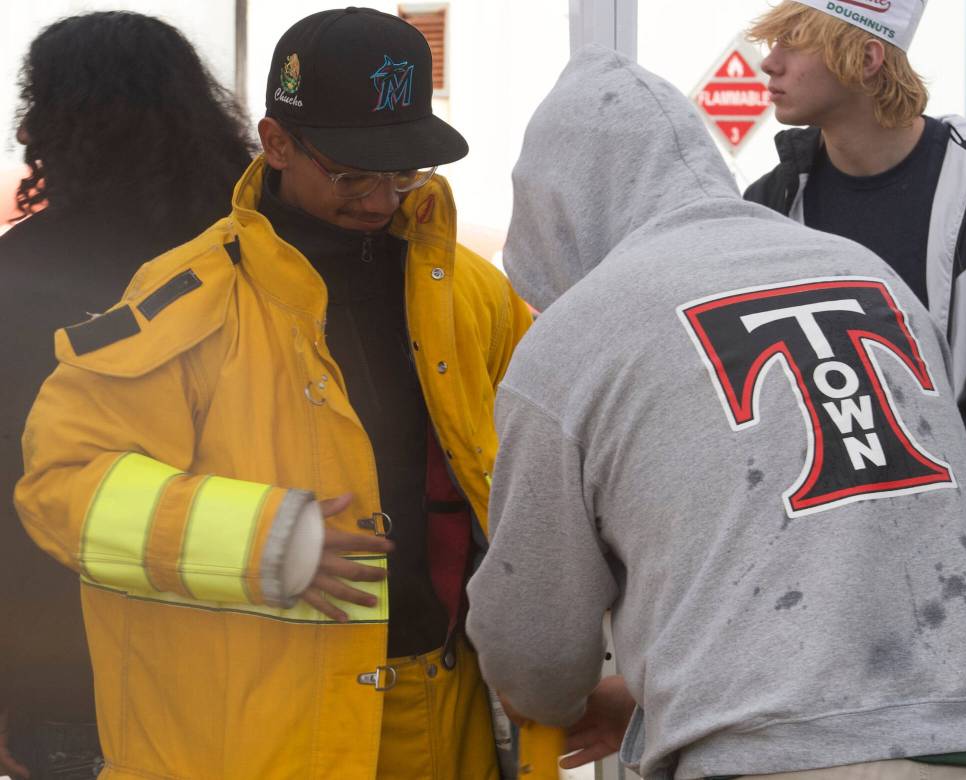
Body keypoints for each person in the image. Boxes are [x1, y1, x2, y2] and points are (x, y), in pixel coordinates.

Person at [13, 8, 563, 779]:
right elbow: (61, 487)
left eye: (405, 172)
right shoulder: (188, 297)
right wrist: (264, 542)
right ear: (275, 143)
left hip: (443, 717)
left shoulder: (472, 293)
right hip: (251, 738)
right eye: (351, 173)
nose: (380, 199)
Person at [465, 44, 966, 779]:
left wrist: (572, 691)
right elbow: (855, 547)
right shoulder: (867, 275)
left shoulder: (578, 338)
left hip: (771, 756)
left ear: (554, 207)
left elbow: (533, 648)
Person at [0, 12, 253, 778]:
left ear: (51, 121)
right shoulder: (251, 260)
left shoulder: (18, 274)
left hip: (68, 671)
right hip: (250, 658)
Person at [742, 0, 966, 592]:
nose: (770, 63)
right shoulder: (767, 207)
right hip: (834, 567)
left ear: (867, 58)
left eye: (794, 42)